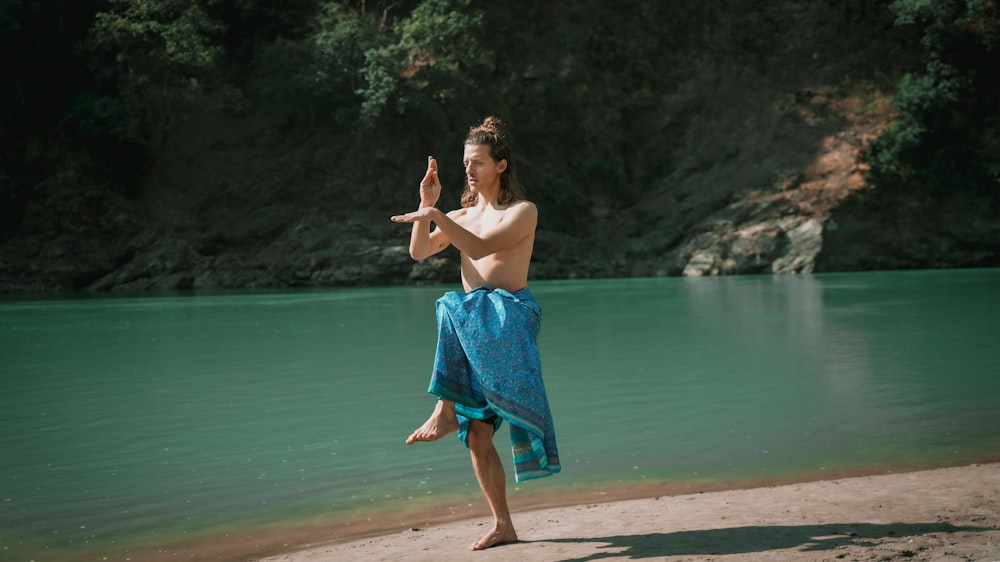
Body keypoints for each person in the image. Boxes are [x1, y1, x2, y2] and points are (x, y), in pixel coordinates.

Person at [390, 116, 561, 550]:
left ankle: (445, 408)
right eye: (465, 162)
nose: (468, 169)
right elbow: (419, 252)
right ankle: (503, 524)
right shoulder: (459, 215)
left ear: (500, 165)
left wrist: (435, 216)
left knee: (455, 304)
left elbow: (482, 248)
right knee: (478, 433)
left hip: (510, 317)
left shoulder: (523, 211)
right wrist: (427, 205)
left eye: (478, 162)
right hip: (474, 331)